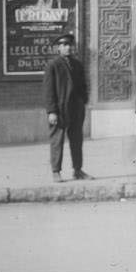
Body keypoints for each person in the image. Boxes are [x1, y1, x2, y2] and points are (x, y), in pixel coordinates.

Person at [42, 32, 89, 182]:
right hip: (60, 110)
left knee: (77, 140)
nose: (68, 48)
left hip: (76, 109)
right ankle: (56, 171)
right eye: (64, 45)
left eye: (70, 45)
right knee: (57, 141)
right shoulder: (53, 65)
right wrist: (52, 111)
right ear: (58, 48)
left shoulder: (78, 64)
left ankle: (78, 170)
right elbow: (48, 90)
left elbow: (83, 85)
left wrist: (83, 102)